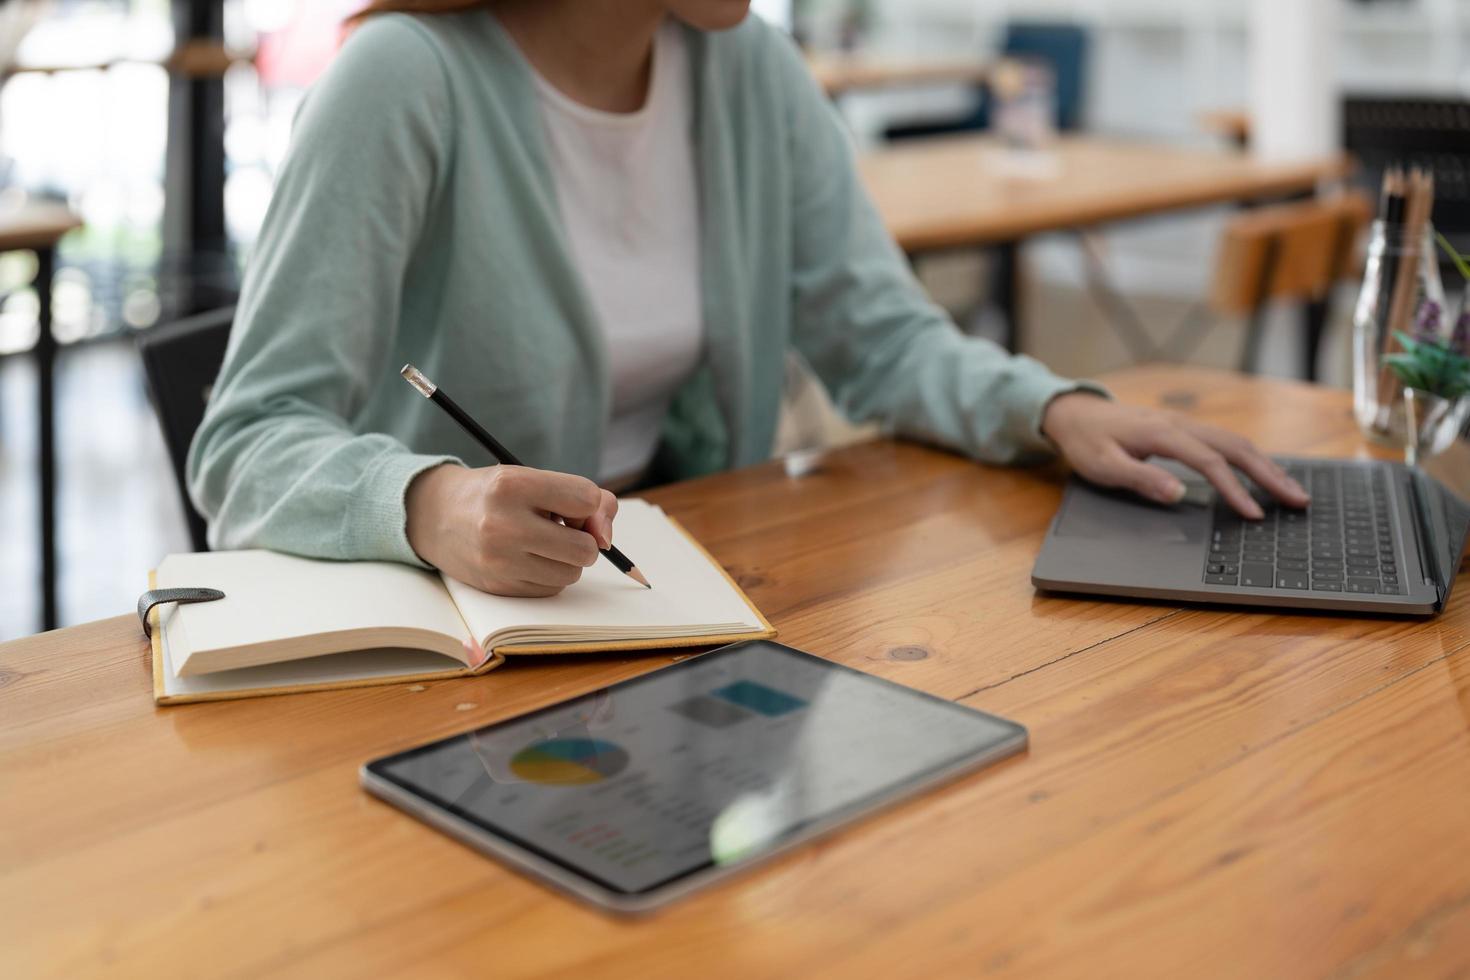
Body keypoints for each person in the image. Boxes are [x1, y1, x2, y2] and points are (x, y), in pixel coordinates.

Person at [188, 0, 1308, 599]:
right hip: (459, 637)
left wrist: (1054, 410)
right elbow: (243, 444)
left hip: (665, 588)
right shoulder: (403, 78)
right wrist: (427, 502)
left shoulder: (748, 71)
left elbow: (880, 337)